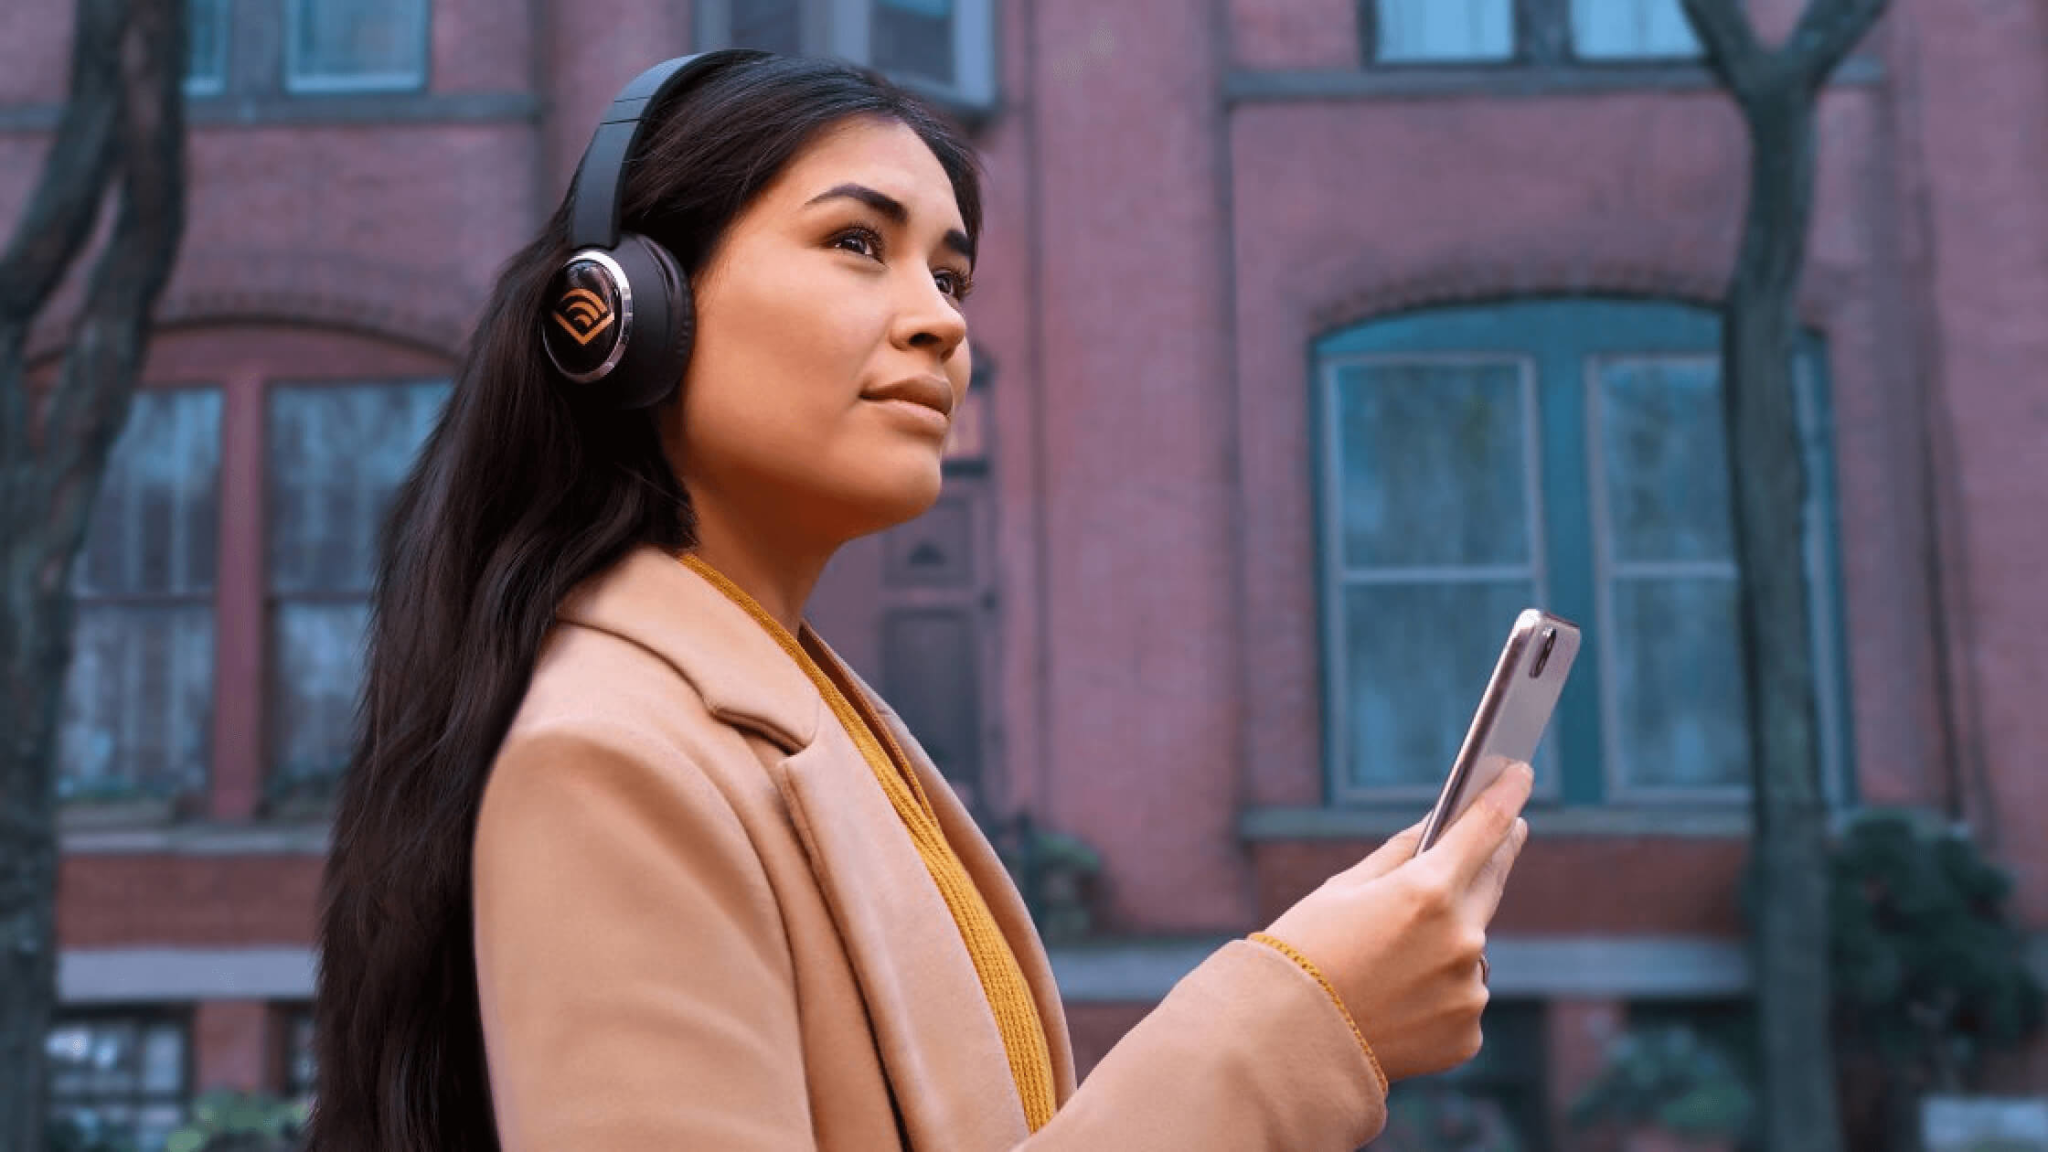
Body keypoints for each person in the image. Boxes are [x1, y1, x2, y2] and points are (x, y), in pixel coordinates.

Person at [306, 49, 1534, 1152]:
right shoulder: (610, 760)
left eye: (952, 275)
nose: (940, 322)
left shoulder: (797, 717)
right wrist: (1296, 1026)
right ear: (623, 312)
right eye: (856, 243)